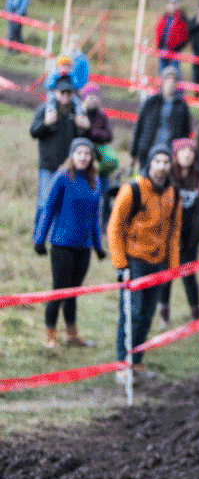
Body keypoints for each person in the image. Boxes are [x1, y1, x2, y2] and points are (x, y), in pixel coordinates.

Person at [107, 145, 180, 381]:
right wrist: (120, 264)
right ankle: (122, 364)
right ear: (149, 163)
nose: (161, 166)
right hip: (133, 260)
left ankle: (137, 362)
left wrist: (173, 265)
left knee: (148, 314)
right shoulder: (132, 189)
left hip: (158, 262)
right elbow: (115, 226)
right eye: (157, 161)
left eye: (166, 162)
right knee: (131, 313)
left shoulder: (173, 193)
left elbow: (174, 231)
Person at [33, 138, 106, 349]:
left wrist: (98, 245)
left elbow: (95, 217)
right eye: (79, 153)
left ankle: (72, 335)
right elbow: (48, 209)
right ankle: (49, 334)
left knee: (74, 291)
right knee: (59, 290)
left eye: (86, 153)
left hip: (83, 247)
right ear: (72, 155)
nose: (83, 157)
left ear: (91, 157)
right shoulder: (62, 177)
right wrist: (40, 239)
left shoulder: (95, 181)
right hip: (61, 244)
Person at [158, 139, 199, 324]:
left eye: (190, 151)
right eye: (183, 151)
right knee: (167, 274)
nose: (187, 154)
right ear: (175, 154)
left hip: (191, 235)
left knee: (189, 273)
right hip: (169, 235)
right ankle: (164, 311)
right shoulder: (167, 177)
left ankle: (196, 313)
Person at [31, 75, 87, 226]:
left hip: (68, 167)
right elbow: (33, 132)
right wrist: (46, 124)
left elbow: (82, 141)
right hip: (48, 165)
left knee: (63, 204)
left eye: (69, 93)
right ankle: (38, 236)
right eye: (62, 93)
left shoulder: (77, 112)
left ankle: (54, 236)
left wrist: (84, 127)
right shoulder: (45, 110)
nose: (65, 96)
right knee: (44, 203)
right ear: (56, 93)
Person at [130, 67, 191, 174]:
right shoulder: (151, 102)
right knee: (144, 179)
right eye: (168, 79)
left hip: (170, 150)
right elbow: (139, 127)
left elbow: (186, 131)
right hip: (148, 147)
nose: (170, 83)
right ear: (163, 81)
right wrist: (133, 153)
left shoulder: (181, 106)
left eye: (174, 80)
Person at [154, 0, 188, 77]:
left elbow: (184, 36)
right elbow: (158, 32)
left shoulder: (181, 18)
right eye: (170, 4)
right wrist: (158, 45)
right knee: (162, 73)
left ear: (177, 5)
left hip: (174, 52)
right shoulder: (164, 18)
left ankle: (176, 89)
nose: (172, 6)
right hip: (162, 49)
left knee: (174, 74)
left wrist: (177, 47)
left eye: (174, 4)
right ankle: (162, 89)